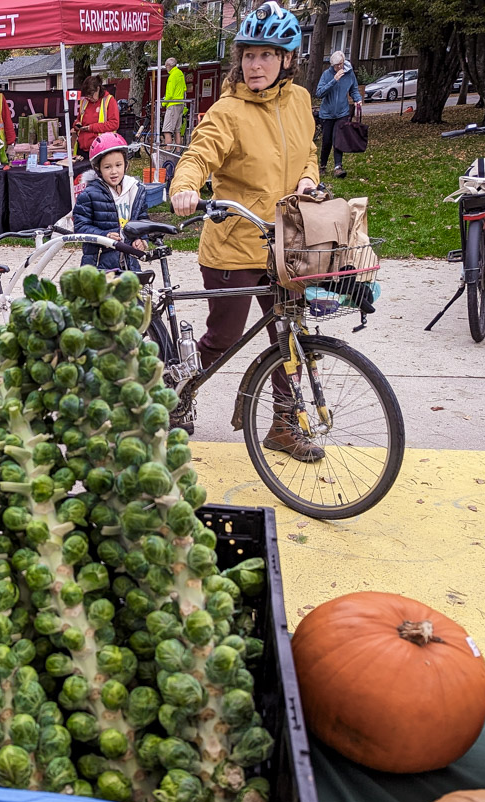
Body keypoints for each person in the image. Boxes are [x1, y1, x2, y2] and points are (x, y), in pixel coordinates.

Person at [170, 1, 323, 460]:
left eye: (267, 55)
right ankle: (178, 391)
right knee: (224, 338)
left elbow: (308, 150)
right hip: (234, 245)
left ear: (288, 59)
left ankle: (282, 424)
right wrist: (184, 188)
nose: (255, 65)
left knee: (289, 336)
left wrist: (309, 177)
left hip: (285, 244)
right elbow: (198, 155)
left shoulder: (298, 101)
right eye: (249, 55)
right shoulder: (227, 110)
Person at [74, 133, 148, 271]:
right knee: (103, 292)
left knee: (133, 291)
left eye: (118, 165)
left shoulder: (135, 190)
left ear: (126, 165)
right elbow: (80, 226)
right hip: (99, 262)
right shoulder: (90, 194)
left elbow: (143, 220)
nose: (114, 171)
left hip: (130, 261)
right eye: (107, 167)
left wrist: (142, 239)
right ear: (98, 169)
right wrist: (104, 236)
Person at [315, 50, 361, 179]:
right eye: (336, 65)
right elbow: (319, 93)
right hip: (327, 114)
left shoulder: (349, 74)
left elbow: (354, 89)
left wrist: (358, 99)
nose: (339, 67)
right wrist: (334, 80)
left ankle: (338, 167)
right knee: (327, 141)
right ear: (332, 65)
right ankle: (322, 166)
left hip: (342, 113)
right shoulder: (326, 75)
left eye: (341, 64)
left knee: (338, 140)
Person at [73, 75, 119, 158]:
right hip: (83, 149)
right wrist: (77, 125)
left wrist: (91, 127)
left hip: (101, 149)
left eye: (91, 95)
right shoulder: (84, 102)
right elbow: (78, 120)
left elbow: (114, 124)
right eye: (87, 96)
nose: (89, 98)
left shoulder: (109, 100)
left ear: (98, 89)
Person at [162, 57, 187, 145]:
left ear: (169, 66)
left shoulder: (172, 76)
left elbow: (170, 93)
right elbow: (184, 88)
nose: (166, 69)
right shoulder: (180, 73)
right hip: (181, 103)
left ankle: (168, 152)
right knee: (177, 130)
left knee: (167, 130)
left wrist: (163, 103)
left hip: (172, 104)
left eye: (166, 66)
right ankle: (178, 150)